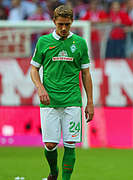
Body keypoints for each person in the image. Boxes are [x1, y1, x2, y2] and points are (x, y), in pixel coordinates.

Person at [30, 5, 94, 180]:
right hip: (49, 100)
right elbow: (34, 69)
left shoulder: (80, 43)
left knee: (70, 144)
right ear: (54, 22)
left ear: (72, 22)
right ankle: (54, 171)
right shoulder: (44, 42)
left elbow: (86, 73)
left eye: (67, 24)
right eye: (60, 24)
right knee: (50, 144)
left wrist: (89, 102)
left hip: (72, 100)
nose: (64, 28)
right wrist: (40, 87)